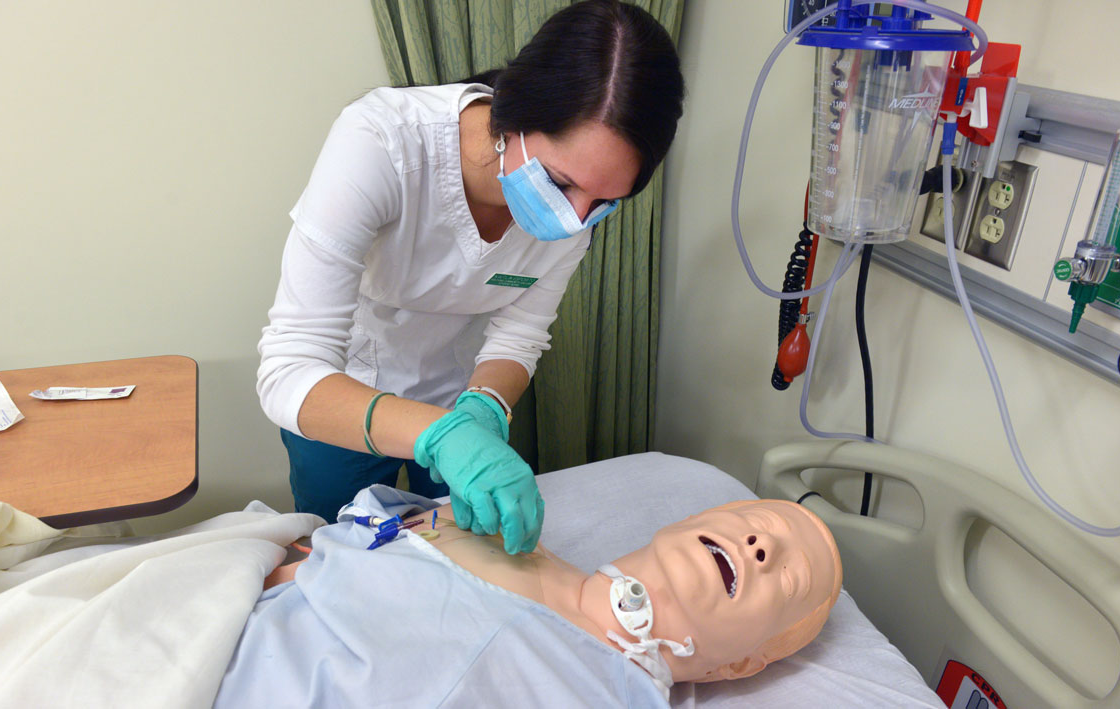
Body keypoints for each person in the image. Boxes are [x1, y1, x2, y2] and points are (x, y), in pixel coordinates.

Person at [255, 0, 685, 554]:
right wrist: (441, 437)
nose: (575, 220)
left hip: (459, 398)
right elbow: (289, 368)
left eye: (603, 201)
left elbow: (519, 334)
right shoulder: (382, 143)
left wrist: (482, 408)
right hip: (339, 395)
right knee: (339, 558)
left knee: (464, 557)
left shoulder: (575, 214)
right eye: (560, 182)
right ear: (513, 117)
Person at [215, 488, 843, 706]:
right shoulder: (507, 532)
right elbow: (333, 544)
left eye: (786, 578)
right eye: (759, 524)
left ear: (737, 666)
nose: (763, 547)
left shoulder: (607, 692)